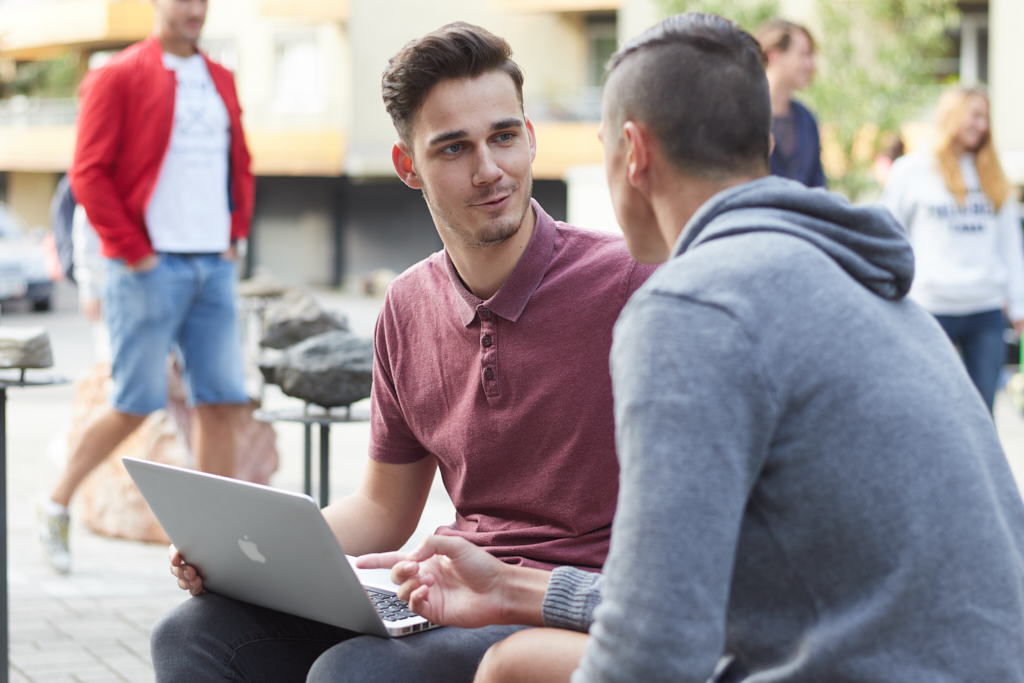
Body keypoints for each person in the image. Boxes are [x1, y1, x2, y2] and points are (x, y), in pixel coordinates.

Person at [359, 13, 1024, 683]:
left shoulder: (693, 307)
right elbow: (707, 596)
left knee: (513, 667)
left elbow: (654, 654)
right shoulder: (861, 284)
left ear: (633, 152)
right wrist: (511, 587)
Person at [151, 22, 654, 683]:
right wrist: (243, 559)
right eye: (454, 147)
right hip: (451, 588)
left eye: (504, 136)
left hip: (568, 605)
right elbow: (383, 510)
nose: (489, 170)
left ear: (530, 138)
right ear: (408, 166)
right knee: (193, 636)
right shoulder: (407, 304)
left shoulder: (629, 281)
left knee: (353, 672)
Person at [36, 0, 254, 573]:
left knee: (222, 401)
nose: (195, 9)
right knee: (134, 402)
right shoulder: (118, 75)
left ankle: (214, 551)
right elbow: (88, 173)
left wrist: (235, 232)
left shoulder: (220, 77)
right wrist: (135, 254)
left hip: (214, 265)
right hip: (148, 268)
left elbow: (240, 163)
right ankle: (55, 501)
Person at [881, 86, 1024, 412]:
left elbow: (1010, 245)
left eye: (986, 118)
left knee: (982, 412)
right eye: (974, 115)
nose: (981, 125)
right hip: (930, 309)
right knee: (928, 408)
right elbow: (888, 233)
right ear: (952, 116)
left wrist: (1018, 305)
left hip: (984, 310)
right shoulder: (912, 170)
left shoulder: (992, 173)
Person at [755, 18, 826, 188]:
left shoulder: (807, 119)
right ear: (774, 56)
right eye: (804, 55)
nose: (811, 65)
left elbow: (818, 187)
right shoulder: (743, 118)